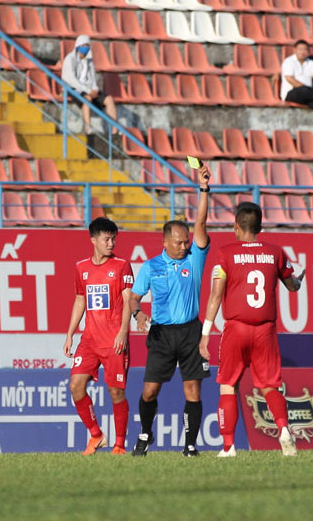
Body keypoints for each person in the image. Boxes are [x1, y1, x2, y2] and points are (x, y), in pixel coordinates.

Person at [201, 202, 306, 458]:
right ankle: (283, 430)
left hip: (236, 327)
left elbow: (216, 295)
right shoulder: (275, 252)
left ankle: (228, 447)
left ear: (236, 226)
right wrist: (298, 281)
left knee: (228, 384)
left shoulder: (226, 253)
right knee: (270, 385)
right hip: (265, 330)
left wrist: (205, 333)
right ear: (260, 227)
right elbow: (292, 286)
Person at [129, 158, 212, 457]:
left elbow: (201, 224)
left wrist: (203, 189)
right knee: (150, 391)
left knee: (193, 390)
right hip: (162, 334)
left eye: (187, 241)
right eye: (178, 242)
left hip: (191, 332)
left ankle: (190, 445)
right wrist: (138, 314)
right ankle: (145, 434)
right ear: (165, 242)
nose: (184, 246)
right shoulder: (151, 266)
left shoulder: (194, 259)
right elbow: (134, 298)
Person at [62, 217, 134, 456]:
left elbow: (127, 300)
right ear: (93, 239)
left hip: (114, 340)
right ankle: (96, 435)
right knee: (75, 386)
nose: (111, 243)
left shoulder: (122, 265)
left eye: (114, 238)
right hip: (89, 341)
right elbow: (80, 300)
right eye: (106, 238)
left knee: (116, 392)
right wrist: (70, 334)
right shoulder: (81, 268)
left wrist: (124, 331)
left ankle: (120, 445)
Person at [61, 34, 118, 135]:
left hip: (88, 88)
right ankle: (88, 129)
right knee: (87, 99)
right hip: (74, 89)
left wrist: (94, 89)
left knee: (109, 99)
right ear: (78, 46)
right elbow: (71, 80)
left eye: (87, 46)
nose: (85, 48)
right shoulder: (70, 59)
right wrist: (87, 91)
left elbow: (92, 78)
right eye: (83, 45)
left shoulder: (89, 60)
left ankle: (114, 130)